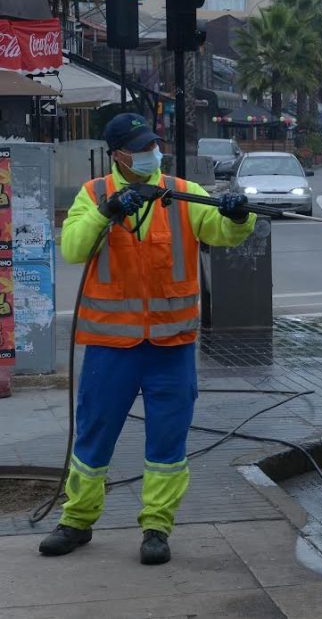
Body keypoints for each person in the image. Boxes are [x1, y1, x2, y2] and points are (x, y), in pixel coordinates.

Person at [38, 113, 256, 565]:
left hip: (171, 346)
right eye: (140, 147)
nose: (151, 153)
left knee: (167, 444)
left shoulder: (182, 193)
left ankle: (157, 527)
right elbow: (73, 247)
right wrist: (107, 212)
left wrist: (239, 216)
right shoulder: (94, 194)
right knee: (93, 437)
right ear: (118, 154)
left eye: (152, 144)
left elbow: (222, 232)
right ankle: (76, 521)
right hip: (110, 348)